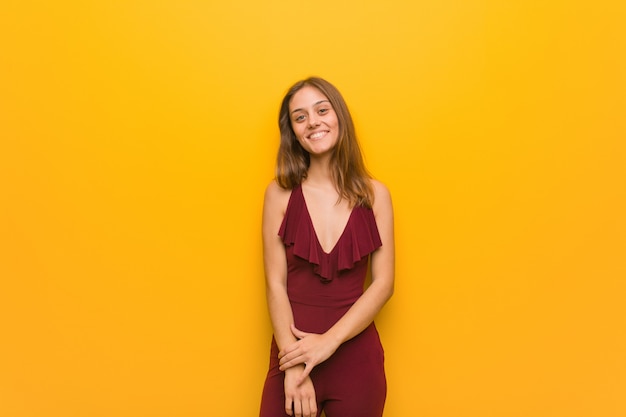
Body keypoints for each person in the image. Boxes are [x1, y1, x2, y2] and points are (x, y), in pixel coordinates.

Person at [259, 77, 395, 417]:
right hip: (291, 356)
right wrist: (293, 364)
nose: (313, 122)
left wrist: (326, 343)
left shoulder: (375, 195)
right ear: (292, 131)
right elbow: (275, 284)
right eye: (300, 116)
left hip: (356, 361)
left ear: (339, 117)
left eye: (322, 110)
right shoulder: (279, 194)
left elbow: (383, 284)